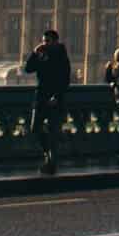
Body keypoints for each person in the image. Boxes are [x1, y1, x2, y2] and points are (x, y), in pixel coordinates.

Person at [22, 28, 72, 174]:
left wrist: (56, 96)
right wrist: (34, 53)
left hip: (55, 99)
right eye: (43, 41)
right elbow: (28, 69)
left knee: (53, 131)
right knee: (34, 128)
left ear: (56, 41)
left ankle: (51, 162)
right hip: (41, 97)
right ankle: (47, 154)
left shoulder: (62, 57)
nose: (44, 44)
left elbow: (65, 80)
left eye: (47, 41)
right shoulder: (42, 54)